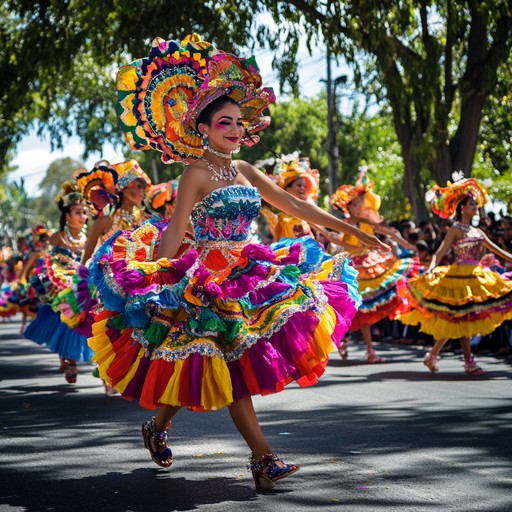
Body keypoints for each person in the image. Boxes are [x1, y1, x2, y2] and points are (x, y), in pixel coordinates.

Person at [89, 34, 388, 490]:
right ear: (203, 129)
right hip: (207, 280)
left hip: (251, 273)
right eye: (223, 122)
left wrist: (353, 230)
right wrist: (151, 280)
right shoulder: (195, 172)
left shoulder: (245, 170)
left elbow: (296, 207)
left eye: (237, 122)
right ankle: (264, 458)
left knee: (202, 363)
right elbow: (174, 230)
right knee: (225, 365)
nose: (234, 130)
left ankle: (158, 427)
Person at [399, 177, 512, 375]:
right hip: (457, 279)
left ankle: (435, 356)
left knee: (460, 320)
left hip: (475, 278)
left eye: (475, 203)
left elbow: (501, 253)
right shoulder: (455, 229)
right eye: (471, 203)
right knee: (459, 319)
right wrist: (432, 268)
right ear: (462, 208)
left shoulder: (478, 232)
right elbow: (439, 253)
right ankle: (467, 361)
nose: (475, 206)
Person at [329, 169, 419, 363]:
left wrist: (408, 245)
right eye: (352, 203)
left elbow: (391, 232)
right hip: (351, 267)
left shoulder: (365, 222)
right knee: (352, 308)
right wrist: (336, 243)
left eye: (358, 202)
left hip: (368, 265)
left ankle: (368, 349)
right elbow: (339, 244)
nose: (355, 206)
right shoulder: (344, 223)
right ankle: (348, 339)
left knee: (364, 309)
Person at [24, 182, 93, 383]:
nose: (83, 217)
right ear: (67, 215)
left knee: (80, 318)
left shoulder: (88, 237)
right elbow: (49, 262)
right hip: (61, 283)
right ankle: (69, 359)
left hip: (80, 283)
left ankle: (70, 357)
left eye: (84, 212)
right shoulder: (57, 237)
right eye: (78, 212)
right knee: (62, 320)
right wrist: (63, 275)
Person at [80, 159, 152, 264]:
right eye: (138, 186)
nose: (142, 192)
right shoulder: (103, 222)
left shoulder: (146, 220)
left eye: (143, 188)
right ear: (124, 189)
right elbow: (86, 258)